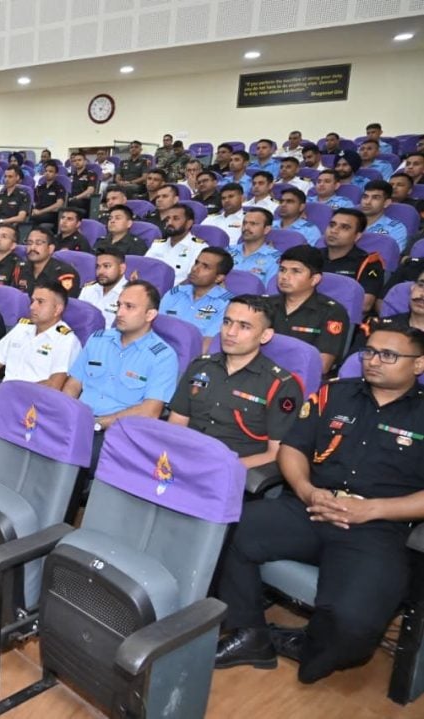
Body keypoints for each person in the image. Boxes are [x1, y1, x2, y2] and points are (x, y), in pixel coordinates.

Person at [214, 322, 424, 684]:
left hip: (377, 526)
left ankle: (307, 645)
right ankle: (248, 632)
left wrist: (372, 509)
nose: (373, 361)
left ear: (418, 365)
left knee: (354, 625)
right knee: (227, 530)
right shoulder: (334, 395)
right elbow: (294, 448)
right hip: (311, 506)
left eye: (388, 355)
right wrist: (307, 489)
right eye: (369, 352)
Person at [168, 294, 304, 468]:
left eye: (244, 326)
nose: (230, 332)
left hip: (232, 470)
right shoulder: (200, 366)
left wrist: (227, 468)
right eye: (227, 322)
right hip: (183, 460)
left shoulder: (281, 385)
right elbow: (177, 424)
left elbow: (276, 453)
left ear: (265, 335)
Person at [63, 280, 179, 443]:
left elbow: (150, 411)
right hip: (79, 422)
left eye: (129, 307)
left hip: (120, 433)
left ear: (150, 315)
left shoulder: (163, 356)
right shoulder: (98, 339)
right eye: (119, 305)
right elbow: (73, 385)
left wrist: (97, 424)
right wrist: (65, 414)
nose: (119, 313)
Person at [0, 280, 80, 395]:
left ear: (57, 309)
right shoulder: (23, 327)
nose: (32, 307)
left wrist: (13, 392)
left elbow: (54, 385)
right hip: (2, 394)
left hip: (33, 402)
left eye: (40, 302)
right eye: (32, 301)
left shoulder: (66, 340)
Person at [268, 245, 350, 374]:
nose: (284, 277)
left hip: (299, 381)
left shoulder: (332, 312)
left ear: (315, 279)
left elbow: (322, 365)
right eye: (282, 270)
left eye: (295, 271)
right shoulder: (264, 305)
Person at [159, 247, 234, 352]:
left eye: (205, 267)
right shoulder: (175, 293)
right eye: (196, 263)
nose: (195, 269)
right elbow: (155, 328)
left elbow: (208, 343)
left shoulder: (227, 305)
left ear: (219, 278)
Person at [320, 208, 383, 316]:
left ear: (357, 236)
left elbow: (364, 304)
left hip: (341, 319)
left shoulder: (369, 263)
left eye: (344, 227)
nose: (334, 230)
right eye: (332, 225)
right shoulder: (311, 256)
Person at [145, 204, 209, 286]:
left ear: (189, 223)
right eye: (168, 219)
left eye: (176, 219)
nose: (169, 223)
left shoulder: (199, 248)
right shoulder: (157, 244)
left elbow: (192, 280)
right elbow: (144, 268)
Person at [18, 227, 80, 298]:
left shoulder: (64, 273)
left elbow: (66, 304)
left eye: (38, 243)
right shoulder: (20, 268)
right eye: (29, 243)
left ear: (50, 248)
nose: (32, 247)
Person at [79, 246, 128, 329]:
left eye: (107, 266)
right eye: (98, 266)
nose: (100, 271)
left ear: (121, 268)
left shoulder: (129, 295)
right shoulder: (88, 289)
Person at [229, 208, 281, 286]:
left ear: (266, 229)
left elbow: (269, 292)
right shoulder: (227, 251)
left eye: (253, 224)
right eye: (245, 223)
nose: (246, 227)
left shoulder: (275, 259)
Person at [359, 180, 409, 253]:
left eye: (375, 198)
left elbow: (392, 257)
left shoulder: (396, 229)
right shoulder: (351, 223)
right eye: (365, 197)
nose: (367, 202)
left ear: (386, 203)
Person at [0, 167, 31, 233]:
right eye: (5, 176)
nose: (6, 179)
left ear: (17, 178)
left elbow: (21, 218)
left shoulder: (23, 195)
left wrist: (0, 222)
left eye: (10, 177)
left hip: (11, 227)